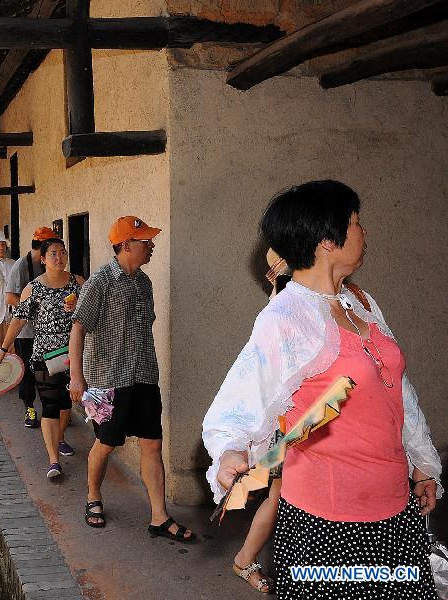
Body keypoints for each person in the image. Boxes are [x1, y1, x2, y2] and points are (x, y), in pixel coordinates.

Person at [203, 180, 441, 599]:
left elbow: (398, 390)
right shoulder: (285, 317)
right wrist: (231, 452)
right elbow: (240, 402)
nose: (364, 232)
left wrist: (422, 464)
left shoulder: (361, 302)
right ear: (328, 239)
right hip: (328, 522)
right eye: (356, 222)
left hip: (394, 509)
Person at [69, 216, 194, 541]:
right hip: (108, 380)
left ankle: (159, 517)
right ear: (125, 245)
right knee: (107, 442)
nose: (151, 246)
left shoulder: (143, 283)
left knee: (152, 443)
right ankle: (93, 496)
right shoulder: (100, 281)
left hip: (144, 377)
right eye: (145, 241)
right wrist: (76, 377)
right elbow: (78, 326)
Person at [0, 238, 84, 478]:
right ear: (43, 259)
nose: (59, 258)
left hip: (73, 355)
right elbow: (19, 319)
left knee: (66, 404)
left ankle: (60, 438)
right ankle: (53, 459)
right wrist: (4, 348)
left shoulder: (78, 284)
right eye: (53, 254)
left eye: (62, 253)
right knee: (50, 405)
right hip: (45, 355)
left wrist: (76, 311)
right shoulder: (33, 288)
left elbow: (91, 317)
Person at [231, 249, 291, 595]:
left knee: (282, 497)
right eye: (275, 261)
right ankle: (244, 560)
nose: (280, 265)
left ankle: (245, 559)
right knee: (280, 496)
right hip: (294, 422)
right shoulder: (280, 304)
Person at [5, 226, 55, 428]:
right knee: (27, 369)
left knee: (49, 368)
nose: (57, 255)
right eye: (52, 249)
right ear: (42, 247)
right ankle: (29, 407)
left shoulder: (48, 265)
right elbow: (9, 296)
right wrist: (34, 308)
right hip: (25, 330)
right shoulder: (20, 267)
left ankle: (52, 410)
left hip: (47, 329)